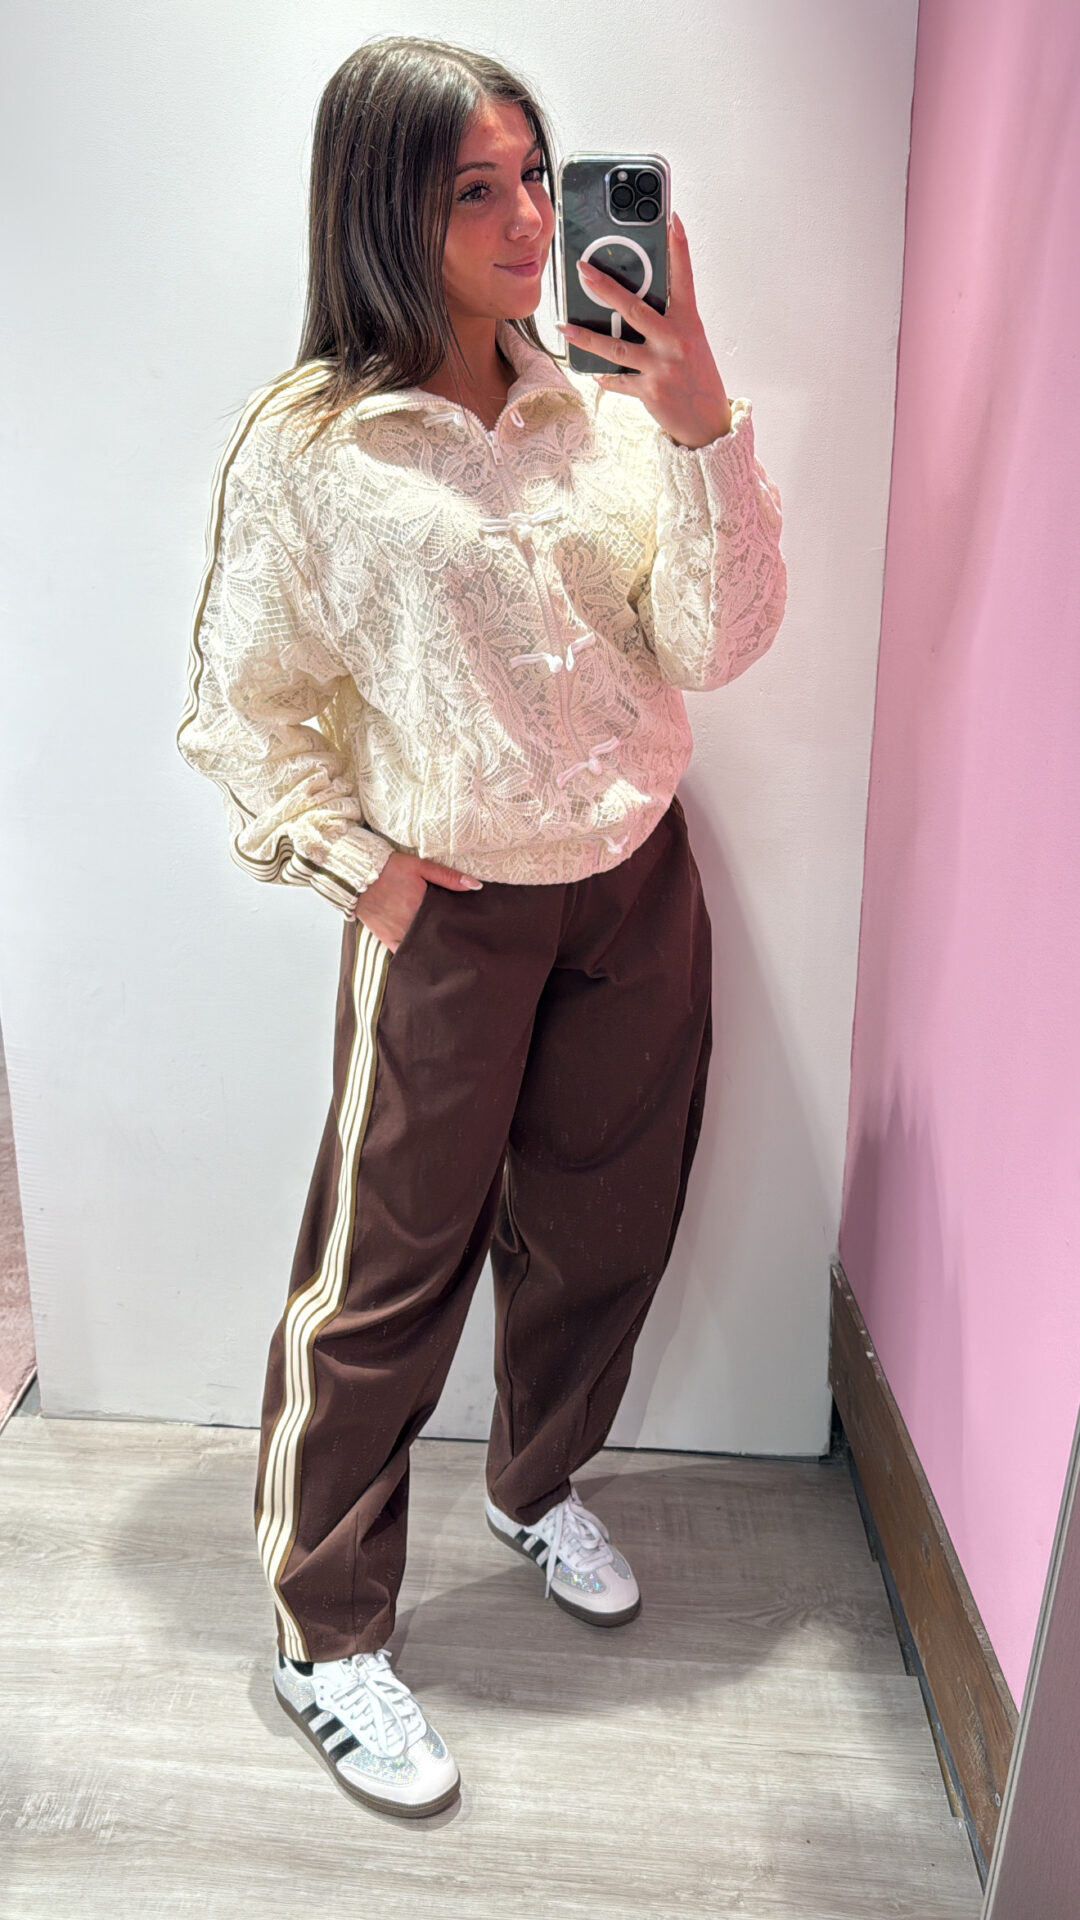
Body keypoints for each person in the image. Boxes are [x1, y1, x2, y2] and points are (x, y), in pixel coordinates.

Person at [177, 34, 787, 1819]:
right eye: (475, 189)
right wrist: (353, 866)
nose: (530, 220)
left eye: (538, 175)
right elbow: (238, 708)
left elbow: (716, 642)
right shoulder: (312, 451)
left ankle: (533, 1486)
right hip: (445, 910)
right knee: (385, 1279)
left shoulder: (609, 402)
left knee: (606, 1223)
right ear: (385, 207)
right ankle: (325, 1633)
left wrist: (698, 416)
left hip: (634, 880)